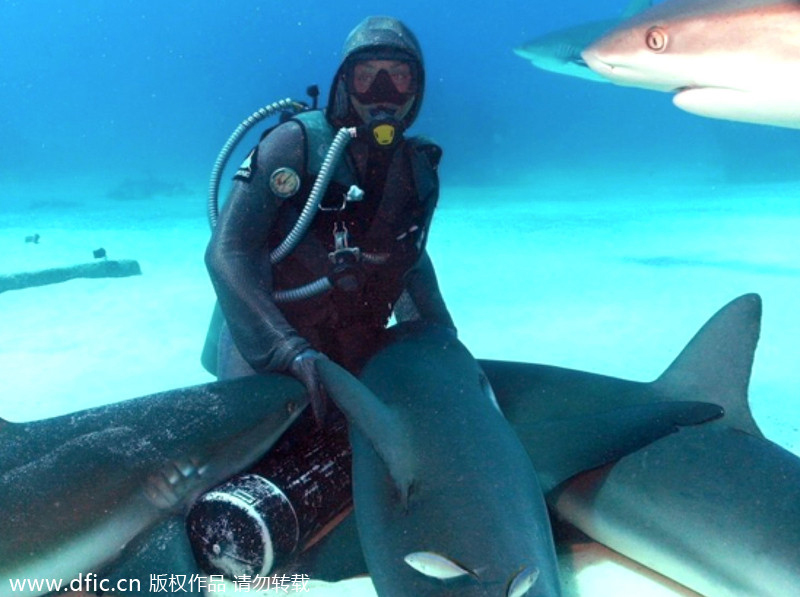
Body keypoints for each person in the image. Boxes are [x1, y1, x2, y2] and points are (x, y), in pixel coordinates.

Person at [205, 16, 455, 421]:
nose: (383, 93)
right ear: (344, 82)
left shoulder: (418, 169)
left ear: (417, 87)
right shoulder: (295, 145)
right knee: (250, 438)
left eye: (398, 77)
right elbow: (228, 252)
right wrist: (286, 349)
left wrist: (442, 341)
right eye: (366, 77)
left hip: (356, 337)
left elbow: (409, 259)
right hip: (268, 330)